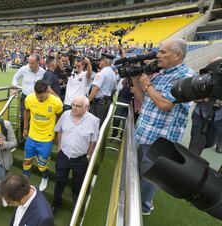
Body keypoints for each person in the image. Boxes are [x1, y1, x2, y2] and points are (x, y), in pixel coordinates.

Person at [130, 38, 196, 215]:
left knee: (150, 177)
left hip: (160, 140)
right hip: (145, 134)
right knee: (138, 173)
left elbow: (165, 104)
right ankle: (135, 202)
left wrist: (147, 83)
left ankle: (141, 208)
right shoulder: (162, 73)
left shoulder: (186, 77)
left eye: (163, 52)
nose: (158, 55)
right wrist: (136, 80)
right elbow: (145, 101)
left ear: (177, 55)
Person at [51, 96, 99, 213]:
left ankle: (76, 198)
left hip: (81, 159)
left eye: (78, 106)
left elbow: (93, 140)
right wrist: (59, 148)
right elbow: (60, 130)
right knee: (59, 180)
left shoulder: (94, 120)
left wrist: (88, 156)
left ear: (86, 107)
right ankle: (56, 203)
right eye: (73, 104)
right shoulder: (66, 114)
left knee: (78, 181)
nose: (74, 108)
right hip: (64, 155)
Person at [22, 80, 63, 191]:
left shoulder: (56, 102)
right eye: (37, 96)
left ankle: (45, 177)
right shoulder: (29, 98)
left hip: (46, 139)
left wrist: (56, 133)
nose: (39, 99)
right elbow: (26, 111)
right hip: (31, 136)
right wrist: (25, 128)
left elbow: (60, 117)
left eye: (41, 97)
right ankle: (24, 184)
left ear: (48, 92)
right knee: (26, 162)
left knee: (42, 166)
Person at [189, 57, 222, 154]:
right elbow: (192, 99)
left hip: (219, 118)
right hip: (200, 115)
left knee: (209, 142)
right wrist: (205, 98)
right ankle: (191, 159)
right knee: (195, 141)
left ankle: (219, 144)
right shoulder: (200, 78)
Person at [11, 54, 46, 135]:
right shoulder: (23, 69)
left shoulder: (43, 72)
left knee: (36, 118)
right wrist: (15, 87)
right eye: (29, 63)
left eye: (32, 63)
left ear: (38, 62)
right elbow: (15, 77)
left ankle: (33, 137)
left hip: (38, 99)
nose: (30, 65)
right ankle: (23, 139)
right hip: (25, 98)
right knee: (23, 118)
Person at [88, 56, 117, 127]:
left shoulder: (102, 73)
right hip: (107, 102)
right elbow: (114, 89)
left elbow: (96, 89)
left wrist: (88, 101)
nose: (99, 62)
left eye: (100, 60)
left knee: (93, 124)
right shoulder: (113, 73)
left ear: (105, 61)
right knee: (102, 124)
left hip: (99, 103)